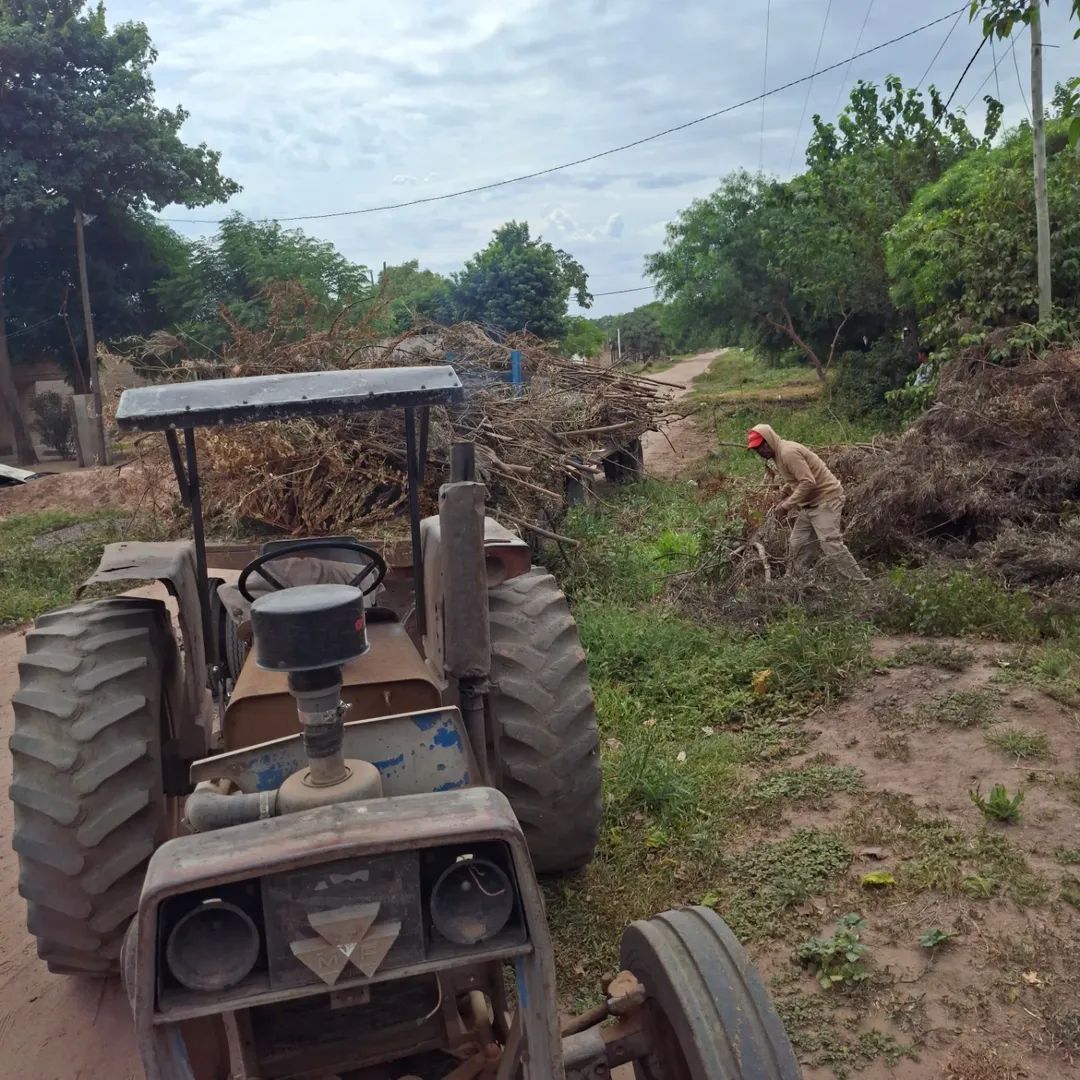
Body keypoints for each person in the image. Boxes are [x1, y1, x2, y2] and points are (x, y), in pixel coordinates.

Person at [747, 424, 867, 582]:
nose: (761, 451)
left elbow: (808, 482)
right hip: (810, 505)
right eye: (757, 449)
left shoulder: (788, 452)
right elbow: (796, 479)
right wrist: (784, 492)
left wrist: (786, 505)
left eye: (762, 446)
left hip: (826, 500)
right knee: (798, 542)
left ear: (769, 439)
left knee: (830, 544)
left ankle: (859, 584)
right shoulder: (778, 455)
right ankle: (793, 582)